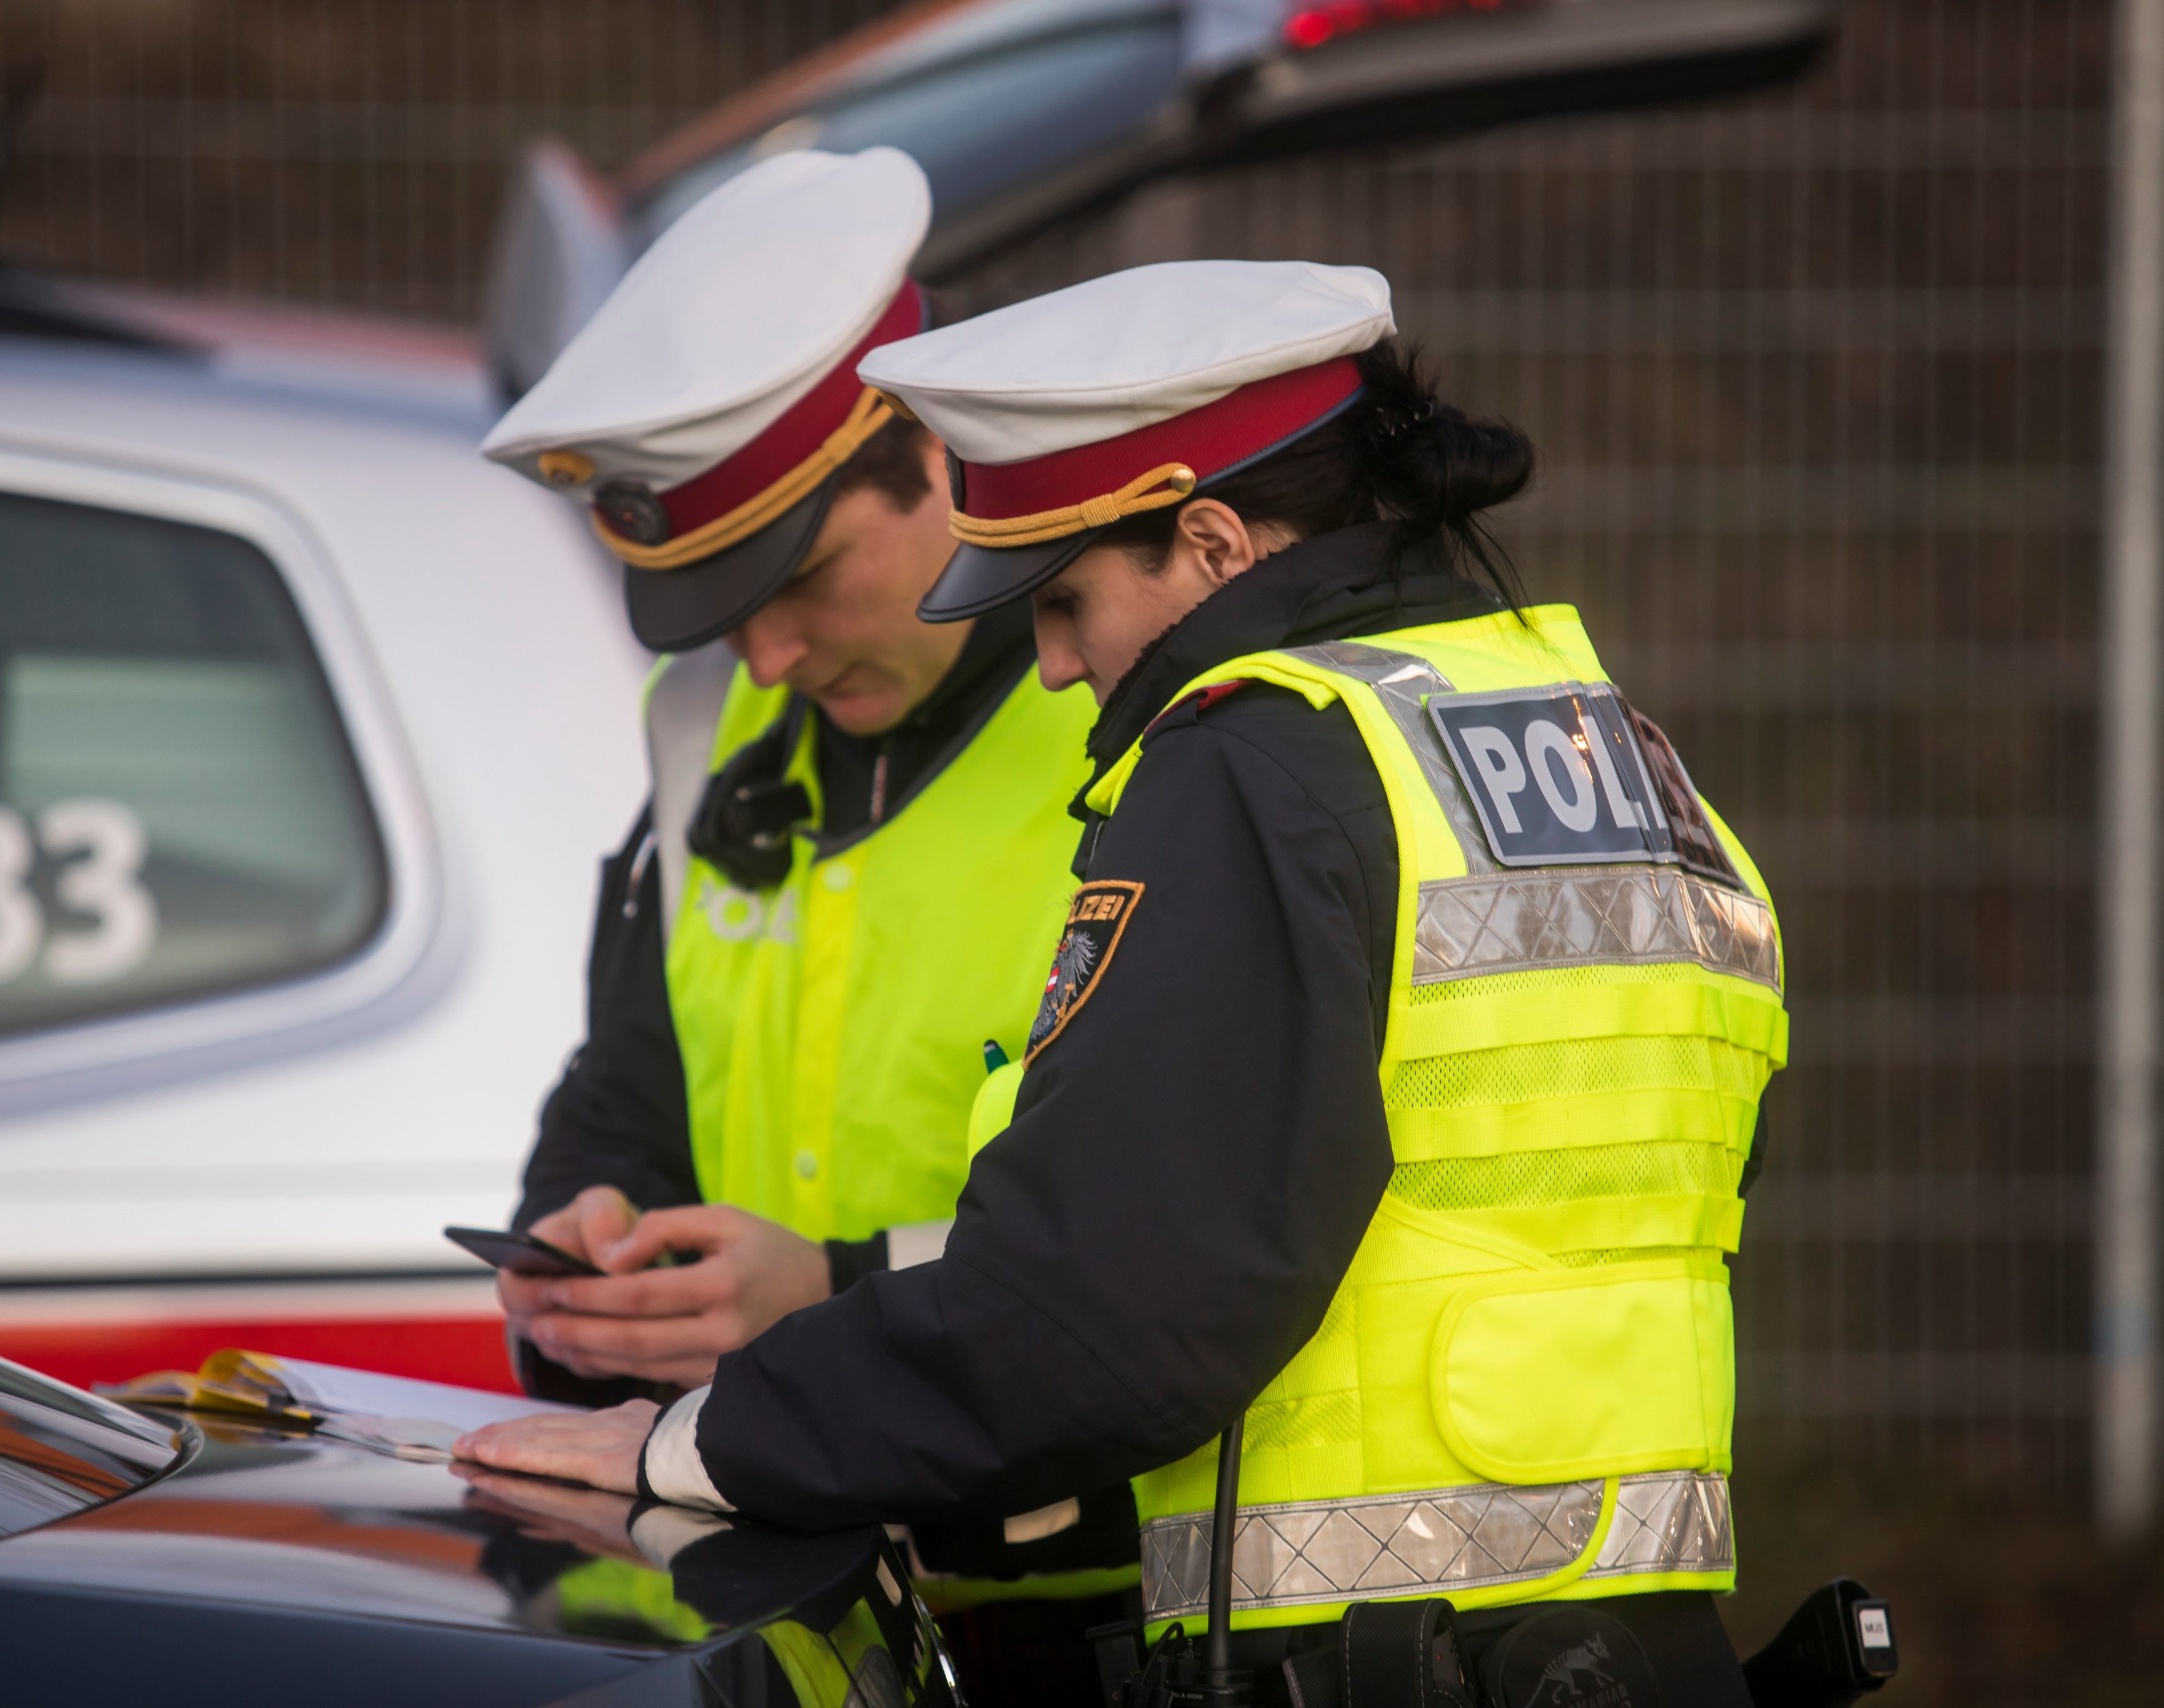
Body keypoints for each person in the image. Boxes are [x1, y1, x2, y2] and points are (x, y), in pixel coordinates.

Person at [459, 259, 1787, 1708]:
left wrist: (694, 1443)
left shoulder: (1253, 757)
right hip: (1627, 1651)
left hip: (1366, 1658)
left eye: (1067, 601)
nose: (1049, 664)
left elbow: (1103, 1309)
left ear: (1214, 543)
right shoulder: (1605, 741)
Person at [475, 147, 1139, 1692]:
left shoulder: (1146, 714)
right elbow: (631, 1087)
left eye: (806, 576)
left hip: (1098, 1609)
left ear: (935, 452)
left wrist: (831, 1296)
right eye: (717, 610)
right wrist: (598, 1241)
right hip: (792, 1604)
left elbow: (1189, 1228)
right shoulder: (703, 724)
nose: (763, 656)